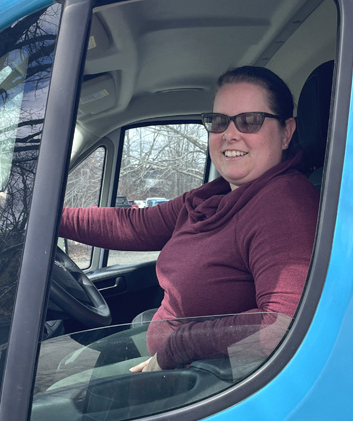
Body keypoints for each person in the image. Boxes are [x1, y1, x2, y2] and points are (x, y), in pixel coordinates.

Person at [59, 66, 320, 372]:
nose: (230, 134)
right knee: (70, 367)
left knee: (55, 391)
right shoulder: (213, 197)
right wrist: (47, 220)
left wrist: (180, 346)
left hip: (208, 380)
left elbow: (283, 326)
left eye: (250, 121)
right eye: (219, 122)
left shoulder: (284, 205)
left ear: (286, 132)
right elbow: (133, 225)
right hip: (175, 359)